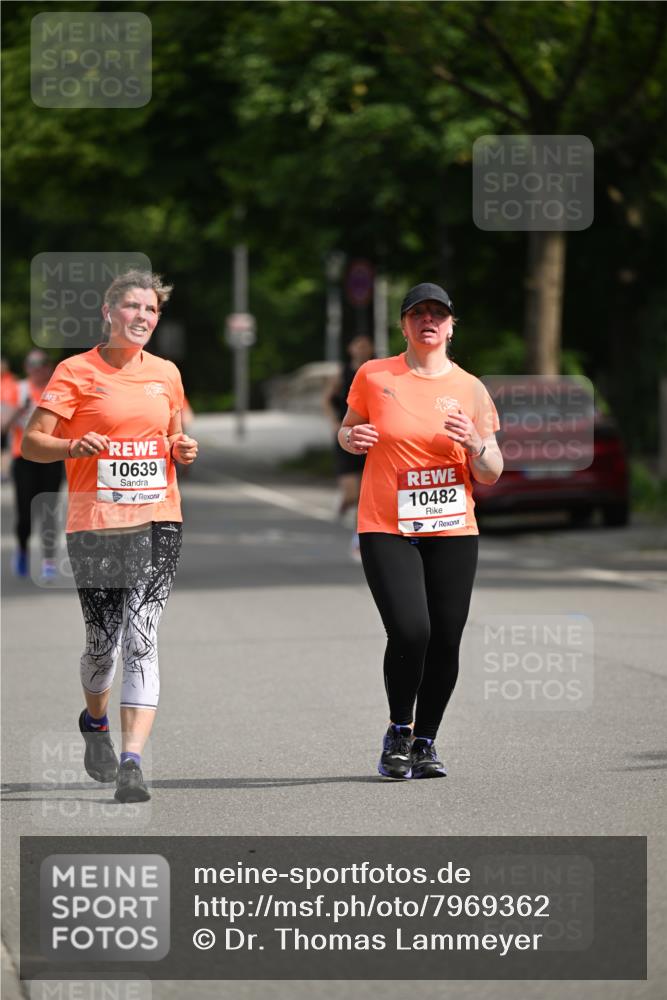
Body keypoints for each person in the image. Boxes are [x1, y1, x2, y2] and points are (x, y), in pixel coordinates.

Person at [22, 269, 198, 803]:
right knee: (103, 646)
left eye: (151, 310)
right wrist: (71, 448)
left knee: (141, 639)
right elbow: (32, 442)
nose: (142, 317)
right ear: (108, 312)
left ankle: (132, 763)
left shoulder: (166, 373)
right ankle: (94, 723)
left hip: (159, 518)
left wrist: (182, 450)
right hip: (95, 524)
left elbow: (174, 436)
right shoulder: (75, 371)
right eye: (132, 308)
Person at [338, 283, 503, 779]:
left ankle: (426, 741)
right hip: (387, 525)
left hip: (453, 528)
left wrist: (476, 443)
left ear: (451, 326)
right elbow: (348, 432)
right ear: (404, 325)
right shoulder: (374, 375)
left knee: (446, 638)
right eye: (418, 314)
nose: (428, 320)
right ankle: (398, 730)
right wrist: (352, 437)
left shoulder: (471, 388)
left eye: (438, 314)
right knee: (412, 629)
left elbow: (492, 469)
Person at [4, 350, 64, 580]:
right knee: (25, 514)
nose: (37, 369)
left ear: (49, 368)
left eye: (41, 365)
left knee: (49, 511)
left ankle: (49, 559)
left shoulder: (58, 390)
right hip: (24, 458)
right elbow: (2, 426)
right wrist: (19, 409)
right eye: (32, 365)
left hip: (51, 457)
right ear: (27, 367)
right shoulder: (16, 390)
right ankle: (21, 550)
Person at [323, 334, 374, 558]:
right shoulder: (342, 373)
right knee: (352, 494)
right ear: (350, 348)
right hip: (348, 435)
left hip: (371, 437)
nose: (362, 349)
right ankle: (344, 501)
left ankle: (358, 538)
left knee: (365, 494)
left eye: (366, 345)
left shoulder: (377, 369)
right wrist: (335, 423)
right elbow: (327, 399)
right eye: (358, 344)